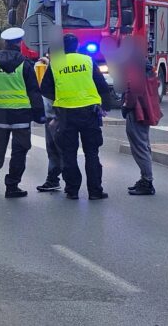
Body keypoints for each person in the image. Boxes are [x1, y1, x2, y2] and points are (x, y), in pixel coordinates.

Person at [39, 33, 114, 201]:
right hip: (89, 113)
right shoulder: (87, 61)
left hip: (66, 114)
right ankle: (95, 191)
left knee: (69, 154)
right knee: (92, 153)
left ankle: (72, 190)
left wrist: (60, 98)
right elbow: (102, 86)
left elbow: (45, 89)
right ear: (77, 46)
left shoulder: (55, 64)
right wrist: (105, 107)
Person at [0, 27, 45, 198]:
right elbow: (34, 92)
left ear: (4, 42)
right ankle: (12, 186)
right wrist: (39, 115)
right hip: (21, 115)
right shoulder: (25, 64)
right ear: (19, 42)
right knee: (19, 151)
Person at [121, 36, 162, 195]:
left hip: (137, 111)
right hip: (146, 108)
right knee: (144, 144)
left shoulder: (133, 64)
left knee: (139, 147)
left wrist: (126, 105)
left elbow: (133, 88)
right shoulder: (145, 63)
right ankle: (145, 179)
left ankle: (147, 181)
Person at [34, 55, 64, 193]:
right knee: (53, 151)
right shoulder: (53, 67)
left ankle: (69, 182)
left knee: (60, 150)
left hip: (57, 117)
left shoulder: (58, 69)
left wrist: (57, 117)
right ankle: (53, 179)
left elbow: (55, 92)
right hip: (52, 116)